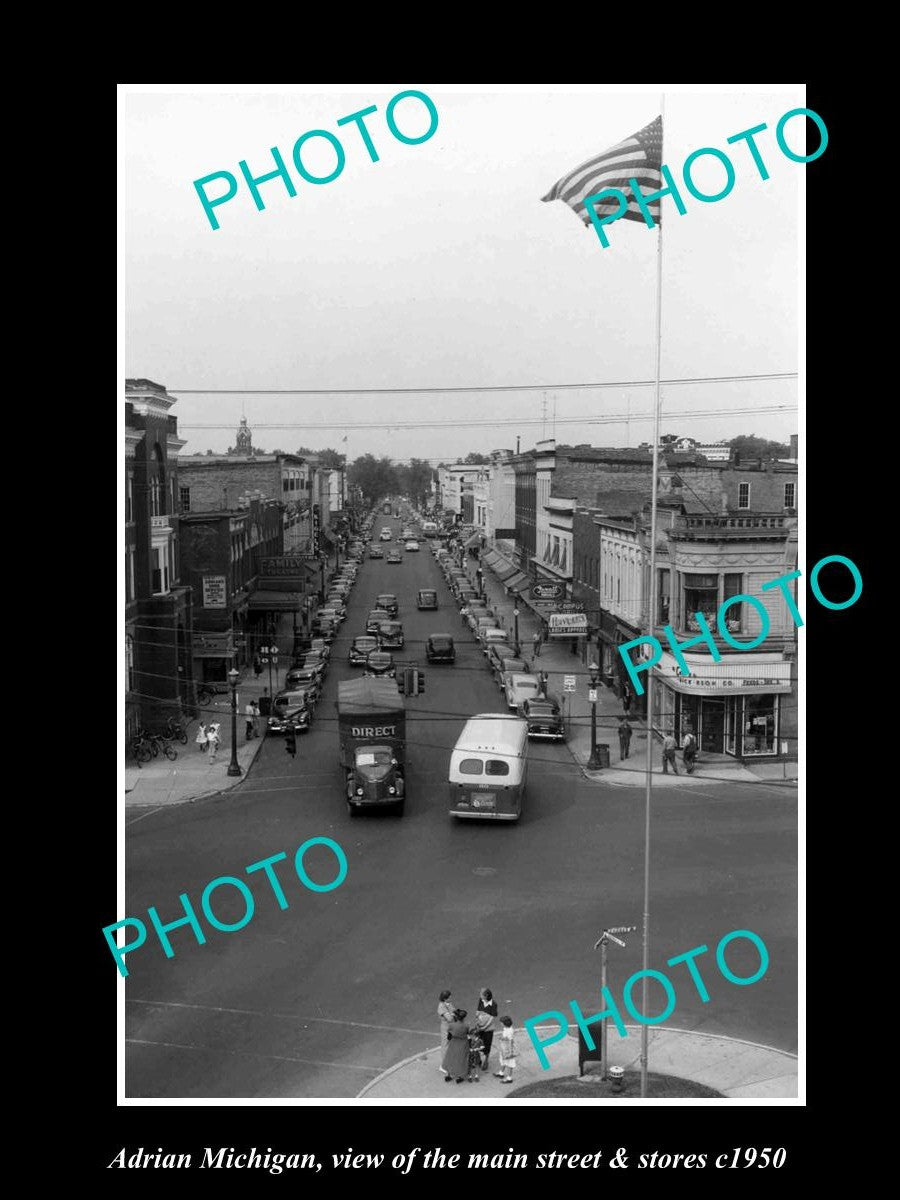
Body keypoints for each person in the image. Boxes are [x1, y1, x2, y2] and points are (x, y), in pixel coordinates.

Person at [442, 1009, 470, 1084]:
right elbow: (467, 1033)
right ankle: (459, 1076)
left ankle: (448, 1075)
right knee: (461, 1059)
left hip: (454, 1042)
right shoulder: (466, 1025)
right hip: (463, 1043)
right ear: (464, 1018)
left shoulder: (451, 1025)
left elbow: (449, 1035)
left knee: (451, 1058)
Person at [476, 988, 498, 1069]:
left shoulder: (493, 1004)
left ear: (486, 995)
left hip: (488, 1028)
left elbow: (492, 1017)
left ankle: (486, 1060)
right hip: (480, 1026)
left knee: (487, 1044)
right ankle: (478, 1059)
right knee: (477, 1043)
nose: (480, 995)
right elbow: (478, 1011)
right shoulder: (481, 1000)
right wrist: (477, 1020)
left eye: (481, 994)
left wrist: (485, 1026)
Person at [495, 1016, 517, 1084]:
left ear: (504, 1023)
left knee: (510, 1063)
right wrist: (502, 1038)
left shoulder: (509, 1031)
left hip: (508, 1050)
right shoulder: (506, 1029)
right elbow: (506, 1038)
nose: (500, 1024)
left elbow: (510, 1041)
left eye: (501, 1022)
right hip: (504, 1048)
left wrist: (510, 1052)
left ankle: (509, 1078)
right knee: (503, 1060)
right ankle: (501, 1073)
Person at [437, 991, 455, 1074]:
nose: (451, 998)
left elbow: (454, 1011)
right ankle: (443, 1066)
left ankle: (449, 1062)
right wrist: (453, 1014)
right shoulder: (441, 1006)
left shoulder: (449, 1004)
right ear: (445, 998)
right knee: (445, 1046)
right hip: (445, 1029)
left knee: (450, 1045)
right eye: (449, 997)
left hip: (451, 1028)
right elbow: (449, 1018)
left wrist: (453, 1014)